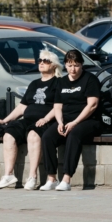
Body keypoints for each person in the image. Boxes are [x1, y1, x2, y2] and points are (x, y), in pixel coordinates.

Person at [0, 49, 62, 190]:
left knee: (33, 135)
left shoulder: (58, 83)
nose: (41, 63)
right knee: (9, 134)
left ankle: (32, 176)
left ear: (54, 65)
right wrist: (5, 120)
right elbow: (22, 107)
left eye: (46, 61)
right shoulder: (34, 84)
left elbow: (58, 106)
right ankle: (8, 175)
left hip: (45, 121)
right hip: (27, 120)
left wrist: (46, 119)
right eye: (40, 60)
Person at [39, 49, 103, 191]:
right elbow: (57, 106)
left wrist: (75, 122)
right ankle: (51, 178)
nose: (72, 69)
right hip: (66, 120)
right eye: (69, 65)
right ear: (65, 65)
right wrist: (60, 123)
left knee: (74, 135)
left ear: (81, 65)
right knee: (47, 136)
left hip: (88, 120)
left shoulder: (90, 79)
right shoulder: (62, 82)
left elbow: (92, 105)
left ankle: (66, 179)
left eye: (76, 65)